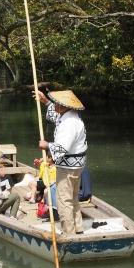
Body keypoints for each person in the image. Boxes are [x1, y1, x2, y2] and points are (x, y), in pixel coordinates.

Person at [35, 89, 87, 235]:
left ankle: (69, 232)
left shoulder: (69, 123)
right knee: (73, 197)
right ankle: (78, 228)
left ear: (65, 106)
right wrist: (45, 101)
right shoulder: (70, 116)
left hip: (68, 167)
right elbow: (55, 117)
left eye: (57, 103)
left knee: (64, 200)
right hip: (76, 165)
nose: (55, 105)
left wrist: (46, 145)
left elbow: (63, 147)